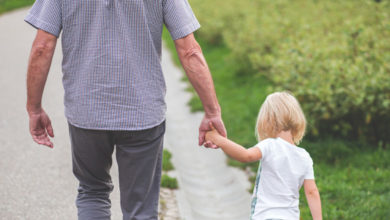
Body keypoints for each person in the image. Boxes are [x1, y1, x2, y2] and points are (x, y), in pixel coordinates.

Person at [25, 0, 226, 219]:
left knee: (93, 193)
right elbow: (189, 50)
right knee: (141, 207)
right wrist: (212, 111)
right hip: (142, 112)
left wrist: (34, 108)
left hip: (87, 112)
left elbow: (42, 47)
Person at [205, 91, 322, 220]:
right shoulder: (304, 156)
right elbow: (312, 192)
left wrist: (218, 139)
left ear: (268, 120)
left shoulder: (269, 145)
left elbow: (245, 155)